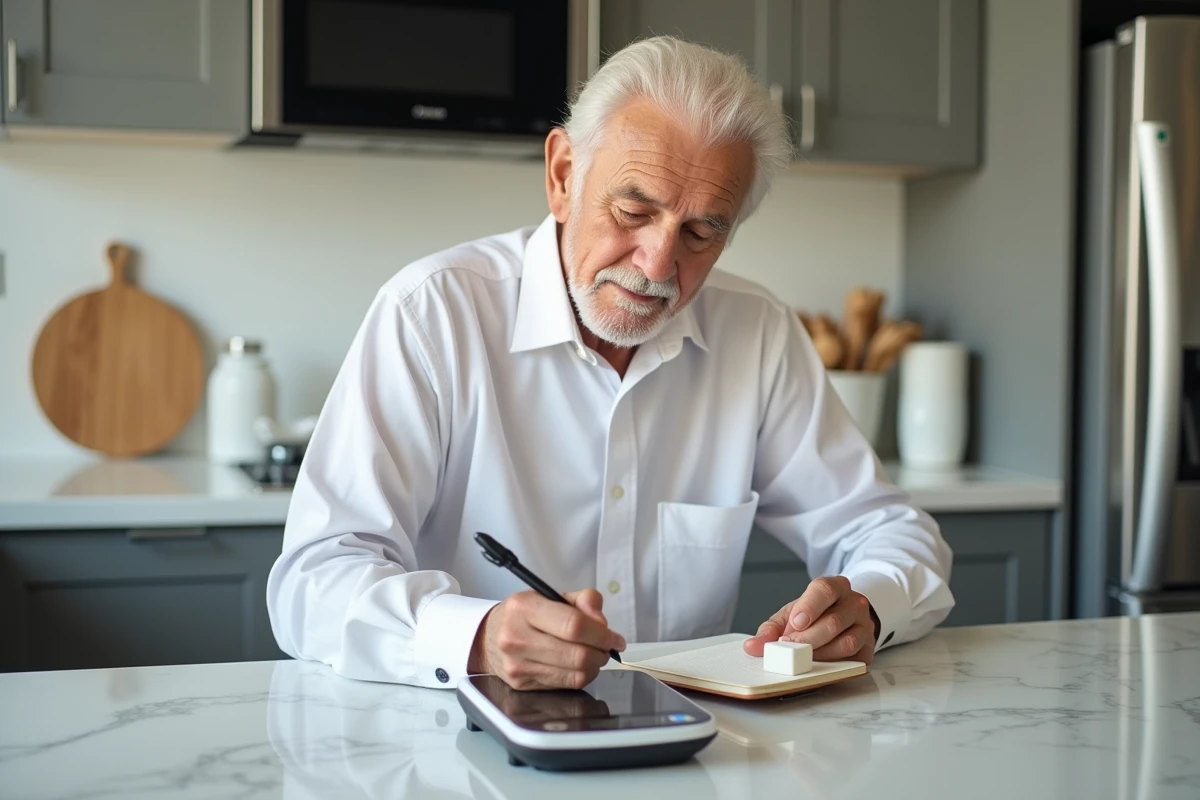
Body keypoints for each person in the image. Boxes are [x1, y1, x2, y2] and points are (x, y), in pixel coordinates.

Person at [266, 36, 954, 692]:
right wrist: (478, 636)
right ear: (563, 175)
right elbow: (313, 583)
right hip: (456, 736)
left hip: (690, 741)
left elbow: (891, 532)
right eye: (632, 211)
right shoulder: (432, 313)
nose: (656, 265)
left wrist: (866, 607)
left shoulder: (758, 332)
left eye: (700, 232)